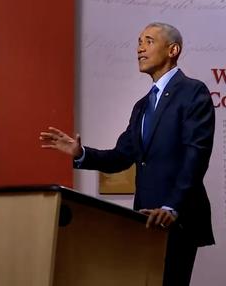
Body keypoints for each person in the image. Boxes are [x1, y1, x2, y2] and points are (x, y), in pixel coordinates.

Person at [40, 22, 215, 286]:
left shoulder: (193, 92)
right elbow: (120, 157)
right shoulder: (141, 106)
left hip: (177, 219)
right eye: (138, 42)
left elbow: (196, 155)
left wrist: (172, 207)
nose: (139, 49)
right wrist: (81, 153)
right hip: (142, 220)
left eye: (148, 41)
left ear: (173, 49)